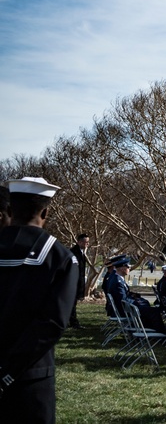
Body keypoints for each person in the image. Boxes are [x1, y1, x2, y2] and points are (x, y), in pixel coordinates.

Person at [0, 177, 77, 424]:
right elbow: (53, 322)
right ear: (46, 212)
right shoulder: (60, 256)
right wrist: (9, 371)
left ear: (9, 210)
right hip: (32, 376)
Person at [105, 256, 166, 333]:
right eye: (127, 266)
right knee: (154, 311)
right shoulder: (118, 282)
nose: (129, 268)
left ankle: (151, 331)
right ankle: (161, 334)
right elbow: (123, 300)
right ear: (122, 268)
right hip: (125, 311)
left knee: (148, 308)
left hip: (125, 309)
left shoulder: (118, 279)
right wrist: (136, 303)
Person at [68, 233, 90, 329]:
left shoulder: (81, 252)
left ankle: (71, 322)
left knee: (73, 304)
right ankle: (73, 323)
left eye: (88, 242)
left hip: (77, 282)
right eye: (85, 242)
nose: (87, 244)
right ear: (79, 242)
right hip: (72, 283)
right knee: (71, 304)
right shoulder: (73, 253)